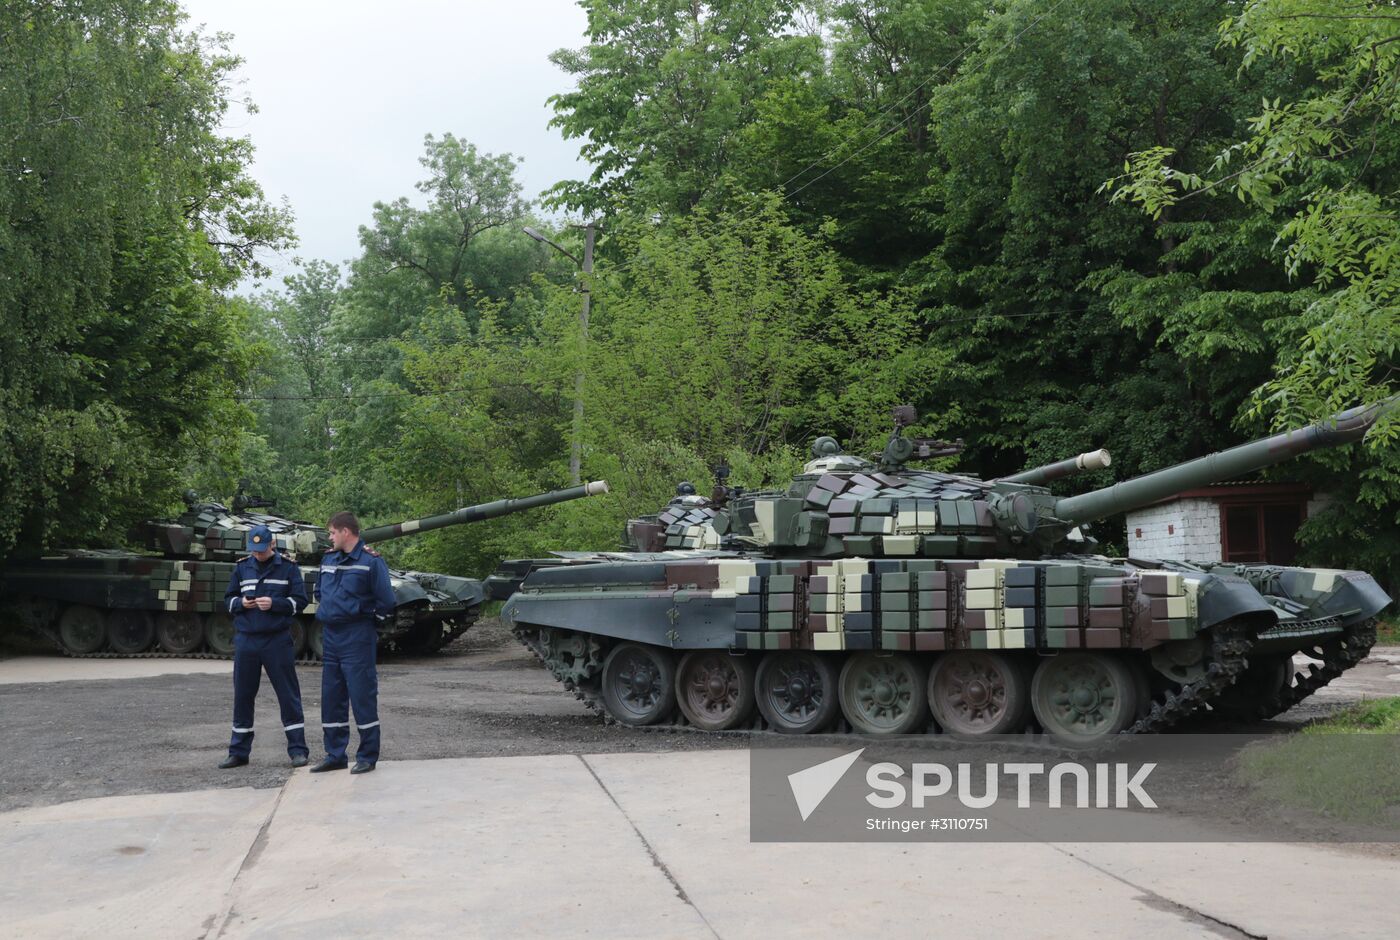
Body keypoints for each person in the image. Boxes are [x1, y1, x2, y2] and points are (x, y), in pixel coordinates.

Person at [218, 524, 310, 769]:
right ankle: (238, 751)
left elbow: (300, 601)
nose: (258, 554)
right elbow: (227, 600)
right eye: (254, 550)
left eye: (262, 549)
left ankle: (298, 750)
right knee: (243, 696)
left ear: (272, 545)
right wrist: (241, 603)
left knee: (288, 695)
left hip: (276, 640)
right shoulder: (242, 567)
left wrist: (275, 603)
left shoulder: (288, 568)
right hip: (247, 640)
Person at [310, 510, 394, 775]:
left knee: (361, 695)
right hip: (331, 636)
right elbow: (318, 591)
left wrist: (368, 622)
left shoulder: (371, 561)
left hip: (357, 636)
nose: (330, 537)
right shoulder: (328, 558)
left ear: (345, 531)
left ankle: (367, 755)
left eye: (332, 532)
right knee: (331, 697)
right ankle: (335, 754)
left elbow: (387, 601)